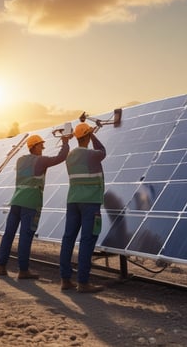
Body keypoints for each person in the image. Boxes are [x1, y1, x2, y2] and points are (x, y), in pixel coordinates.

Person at [0, 132, 71, 279]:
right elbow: (60, 158)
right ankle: (23, 270)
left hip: (16, 202)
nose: (43, 147)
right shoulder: (41, 160)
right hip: (31, 204)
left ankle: (1, 267)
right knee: (26, 236)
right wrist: (65, 143)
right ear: (34, 146)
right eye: (41, 145)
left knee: (8, 235)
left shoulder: (20, 160)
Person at [60, 122, 106, 293]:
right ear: (86, 136)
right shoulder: (92, 155)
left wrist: (87, 133)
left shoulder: (70, 156)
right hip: (90, 202)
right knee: (87, 240)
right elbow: (103, 151)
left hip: (73, 201)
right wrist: (93, 134)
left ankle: (65, 280)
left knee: (68, 239)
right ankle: (83, 282)